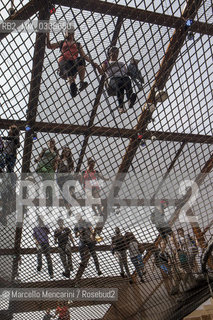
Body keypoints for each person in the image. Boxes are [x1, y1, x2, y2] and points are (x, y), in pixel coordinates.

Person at [46, 25, 101, 98]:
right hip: (64, 60)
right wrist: (48, 33)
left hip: (73, 63)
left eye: (71, 31)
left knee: (81, 60)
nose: (69, 33)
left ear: (73, 33)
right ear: (65, 34)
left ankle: (81, 82)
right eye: (67, 31)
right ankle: (73, 87)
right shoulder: (62, 42)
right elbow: (49, 46)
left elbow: (84, 56)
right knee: (68, 70)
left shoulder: (77, 44)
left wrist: (93, 63)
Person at [101, 46, 137, 113]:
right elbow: (102, 71)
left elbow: (126, 72)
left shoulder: (121, 63)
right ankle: (121, 107)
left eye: (116, 52)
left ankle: (130, 100)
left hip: (123, 77)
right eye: (113, 52)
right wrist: (98, 66)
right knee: (119, 84)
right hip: (113, 78)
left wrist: (133, 66)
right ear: (109, 53)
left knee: (128, 81)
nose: (115, 53)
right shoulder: (106, 62)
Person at [56, 146, 77, 215]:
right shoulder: (60, 159)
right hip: (60, 177)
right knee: (65, 192)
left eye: (68, 151)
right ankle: (68, 209)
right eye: (66, 151)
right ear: (63, 152)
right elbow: (56, 167)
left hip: (67, 176)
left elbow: (71, 170)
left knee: (72, 180)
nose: (67, 152)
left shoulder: (70, 161)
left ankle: (71, 193)